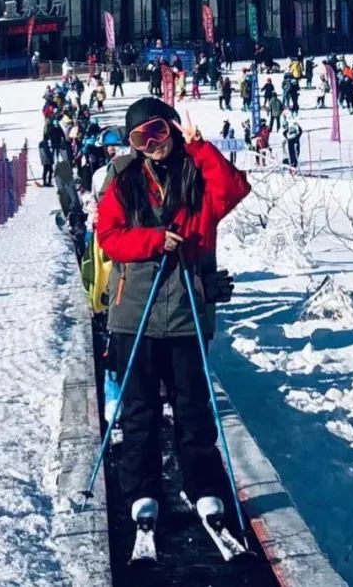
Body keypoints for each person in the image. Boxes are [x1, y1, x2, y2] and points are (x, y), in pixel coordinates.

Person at [96, 97, 249, 537]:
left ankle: (201, 483)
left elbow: (233, 191)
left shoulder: (197, 171)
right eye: (141, 138)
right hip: (135, 312)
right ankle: (141, 488)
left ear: (174, 129)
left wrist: (201, 148)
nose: (153, 144)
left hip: (187, 309)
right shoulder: (123, 180)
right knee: (139, 409)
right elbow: (109, 237)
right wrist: (152, 240)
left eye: (159, 131)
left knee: (192, 408)